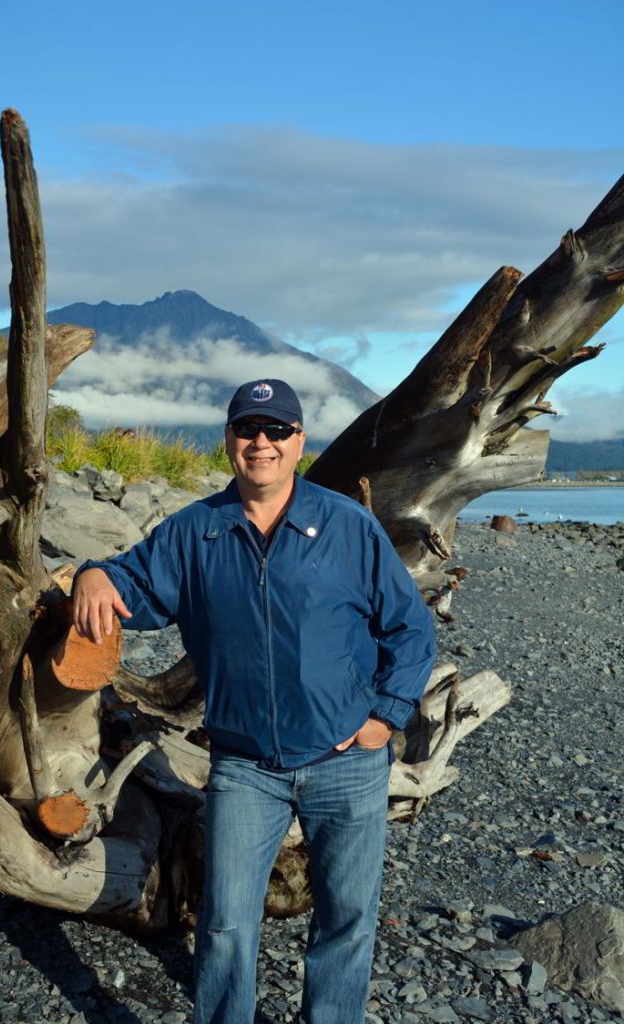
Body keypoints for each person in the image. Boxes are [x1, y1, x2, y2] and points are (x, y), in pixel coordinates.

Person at [72, 378, 437, 1024]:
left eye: (276, 431)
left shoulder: (347, 527)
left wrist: (385, 717)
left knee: (347, 919)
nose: (260, 443)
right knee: (223, 923)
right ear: (229, 441)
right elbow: (130, 584)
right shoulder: (194, 532)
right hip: (243, 766)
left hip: (345, 760)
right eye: (248, 429)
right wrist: (92, 573)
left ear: (298, 442)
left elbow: (409, 629)